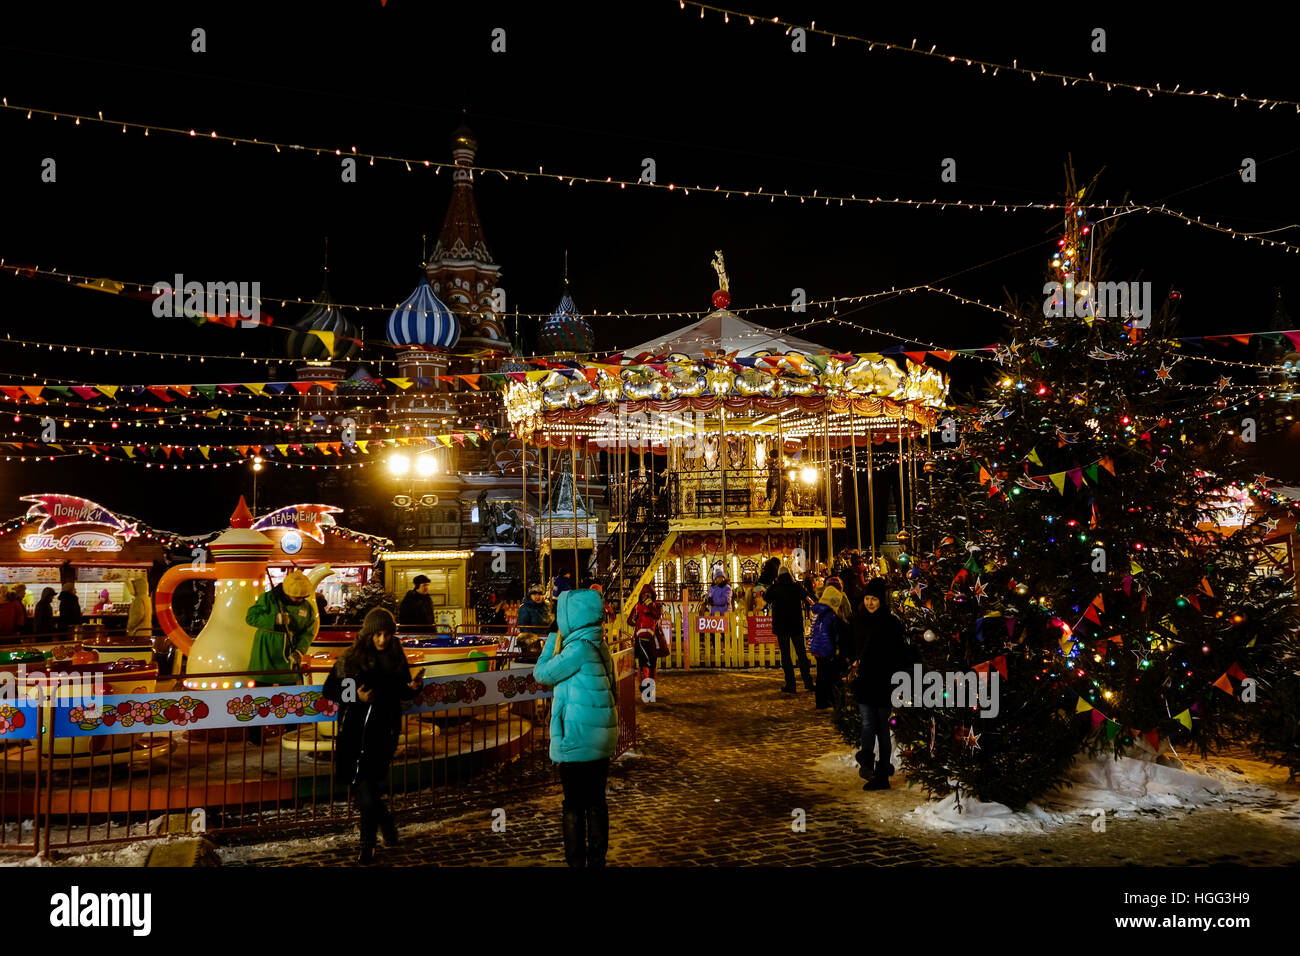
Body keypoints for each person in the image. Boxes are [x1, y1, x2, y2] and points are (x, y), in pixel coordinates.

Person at [322, 608, 423, 864]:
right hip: (354, 730)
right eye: (377, 634)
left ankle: (367, 844)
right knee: (362, 785)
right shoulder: (351, 659)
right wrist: (355, 695)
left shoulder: (395, 656)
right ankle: (386, 822)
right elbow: (330, 688)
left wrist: (411, 688)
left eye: (387, 634)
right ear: (368, 634)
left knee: (368, 784)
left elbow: (400, 689)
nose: (382, 640)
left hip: (383, 730)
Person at [533, 589, 619, 867]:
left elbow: (542, 673)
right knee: (596, 802)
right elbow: (614, 689)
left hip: (576, 737)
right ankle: (597, 861)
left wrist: (550, 638)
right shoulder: (598, 646)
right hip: (601, 735)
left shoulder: (576, 650)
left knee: (573, 804)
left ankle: (576, 862)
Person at [849, 578, 912, 790]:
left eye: (874, 599)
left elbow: (898, 653)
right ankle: (867, 763)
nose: (870, 603)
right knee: (867, 723)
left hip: (884, 680)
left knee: (883, 729)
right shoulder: (860, 620)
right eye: (867, 598)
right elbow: (855, 647)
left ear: (881, 600)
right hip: (866, 680)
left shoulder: (891, 623)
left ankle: (883, 773)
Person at [246, 570, 319, 686]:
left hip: (289, 653)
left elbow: (307, 632)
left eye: (302, 597)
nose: (299, 600)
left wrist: (299, 652)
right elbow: (251, 617)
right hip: (266, 651)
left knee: (288, 693)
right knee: (262, 689)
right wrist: (274, 619)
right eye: (295, 597)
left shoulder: (307, 607)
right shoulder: (268, 598)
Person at [765, 569, 812, 693]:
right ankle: (808, 682)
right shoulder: (795, 586)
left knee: (785, 656)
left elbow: (766, 598)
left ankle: (791, 684)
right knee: (801, 653)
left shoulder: (775, 587)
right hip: (796, 625)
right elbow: (807, 597)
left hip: (781, 626)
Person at [808, 578, 851, 709]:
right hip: (827, 650)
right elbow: (830, 634)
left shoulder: (820, 610)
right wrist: (834, 652)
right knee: (829, 676)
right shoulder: (831, 614)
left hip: (818, 649)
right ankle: (829, 700)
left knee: (822, 675)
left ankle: (822, 701)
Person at [627, 584, 663, 685]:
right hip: (646, 639)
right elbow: (629, 621)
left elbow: (657, 615)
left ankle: (649, 689)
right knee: (647, 663)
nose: (645, 597)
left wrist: (650, 606)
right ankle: (648, 689)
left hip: (647, 639)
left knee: (648, 663)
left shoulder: (648, 606)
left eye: (647, 595)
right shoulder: (642, 606)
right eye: (644, 595)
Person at [515, 584, 551, 661]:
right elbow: (523, 626)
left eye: (539, 594)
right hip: (532, 640)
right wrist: (533, 639)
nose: (537, 597)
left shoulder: (547, 606)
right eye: (534, 594)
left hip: (547, 638)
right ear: (530, 595)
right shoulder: (525, 608)